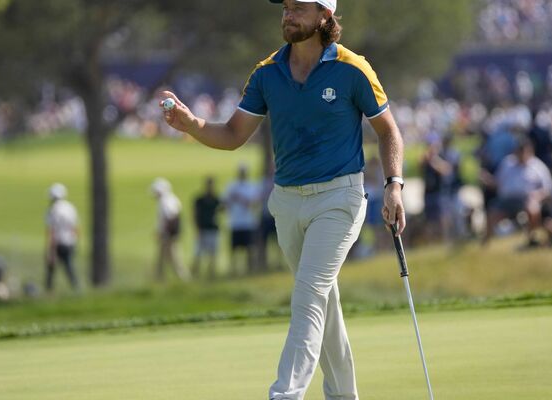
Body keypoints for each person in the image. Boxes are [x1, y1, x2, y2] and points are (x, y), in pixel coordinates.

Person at [159, 0, 406, 398]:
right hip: (287, 202)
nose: (288, 14)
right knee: (323, 305)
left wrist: (394, 183)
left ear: (325, 15)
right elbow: (233, 134)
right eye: (286, 7)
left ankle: (284, 394)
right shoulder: (267, 73)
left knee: (308, 294)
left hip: (339, 198)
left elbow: (389, 131)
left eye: (298, 7)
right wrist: (191, 125)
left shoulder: (352, 68)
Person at [483, 137, 552, 248]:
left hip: (527, 199)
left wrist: (536, 196)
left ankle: (531, 240)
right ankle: (485, 244)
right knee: (491, 212)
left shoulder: (538, 166)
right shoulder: (507, 163)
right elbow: (497, 183)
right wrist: (487, 179)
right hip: (506, 201)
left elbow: (548, 189)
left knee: (533, 209)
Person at [223, 164, 259, 276]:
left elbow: (254, 204)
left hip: (248, 222)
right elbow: (225, 203)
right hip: (235, 222)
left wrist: (240, 198)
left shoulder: (252, 186)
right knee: (234, 250)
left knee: (250, 249)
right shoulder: (231, 186)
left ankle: (250, 270)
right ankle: (233, 271)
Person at [151, 178, 190, 282]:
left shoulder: (165, 201)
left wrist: (164, 233)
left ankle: (183, 278)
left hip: (168, 235)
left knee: (173, 258)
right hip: (168, 234)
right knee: (162, 259)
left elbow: (170, 218)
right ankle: (159, 277)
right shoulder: (170, 199)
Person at [44, 183, 80, 292]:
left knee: (51, 269)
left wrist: (51, 249)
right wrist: (74, 241)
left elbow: (52, 231)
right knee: (69, 267)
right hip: (70, 242)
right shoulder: (70, 208)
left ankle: (49, 291)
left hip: (58, 243)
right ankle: (76, 289)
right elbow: (76, 227)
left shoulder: (52, 210)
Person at [191, 176, 221, 280]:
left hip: (213, 229)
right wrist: (197, 229)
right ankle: (195, 275)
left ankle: (211, 275)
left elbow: (222, 210)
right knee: (198, 254)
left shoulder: (216, 199)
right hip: (202, 229)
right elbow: (195, 215)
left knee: (212, 254)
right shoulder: (199, 200)